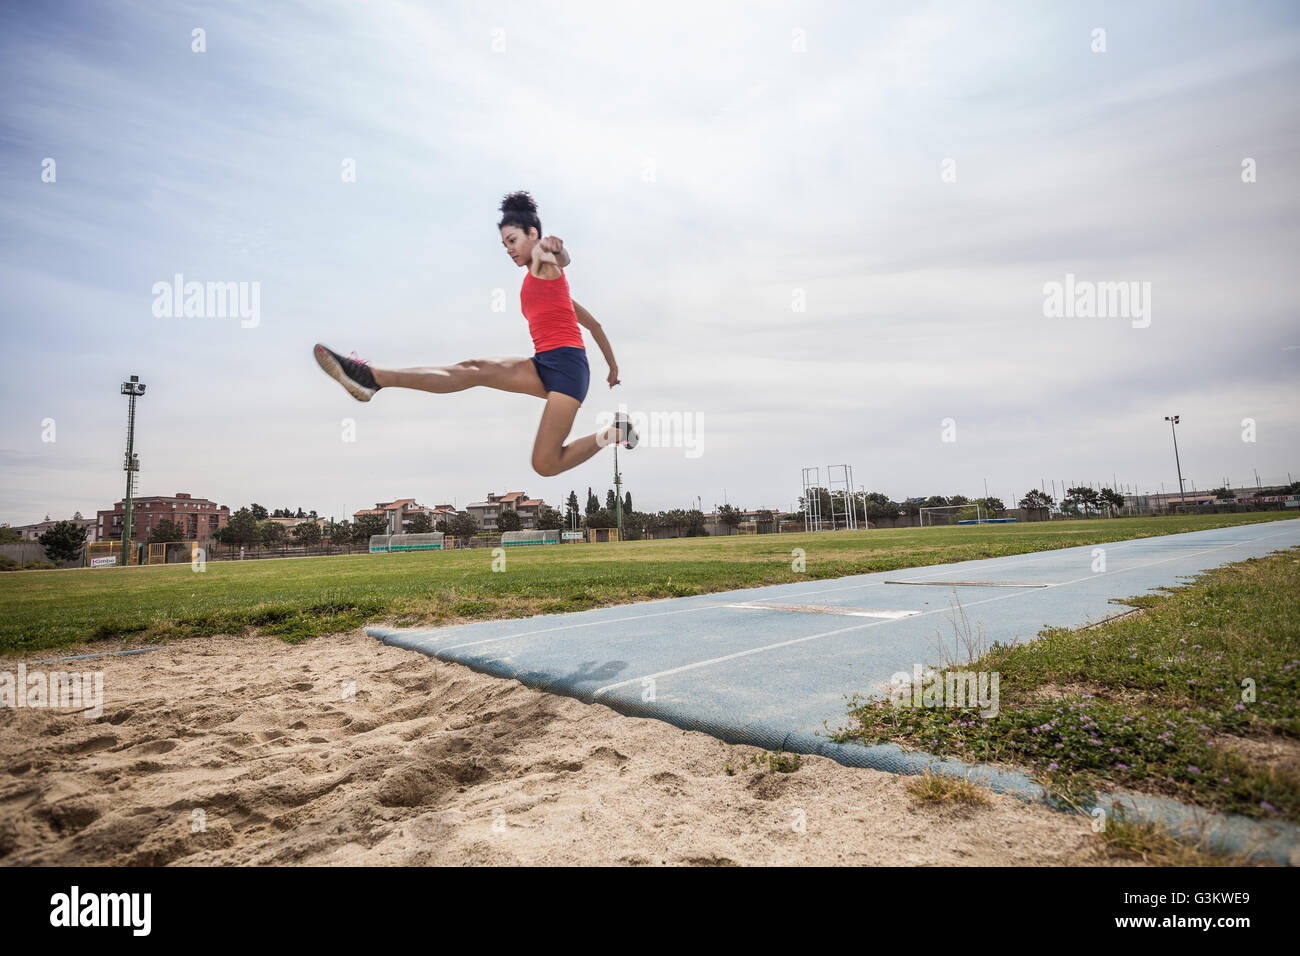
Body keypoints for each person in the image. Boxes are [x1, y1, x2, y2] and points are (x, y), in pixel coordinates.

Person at [314, 190, 636, 476]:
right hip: (542, 364)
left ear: (533, 234)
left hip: (568, 370)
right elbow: (594, 325)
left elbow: (560, 259)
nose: (508, 249)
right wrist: (613, 368)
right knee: (473, 368)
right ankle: (372, 377)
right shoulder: (545, 286)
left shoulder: (543, 262)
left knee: (545, 465)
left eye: (512, 240)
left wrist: (557, 250)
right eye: (504, 244)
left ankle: (613, 433)